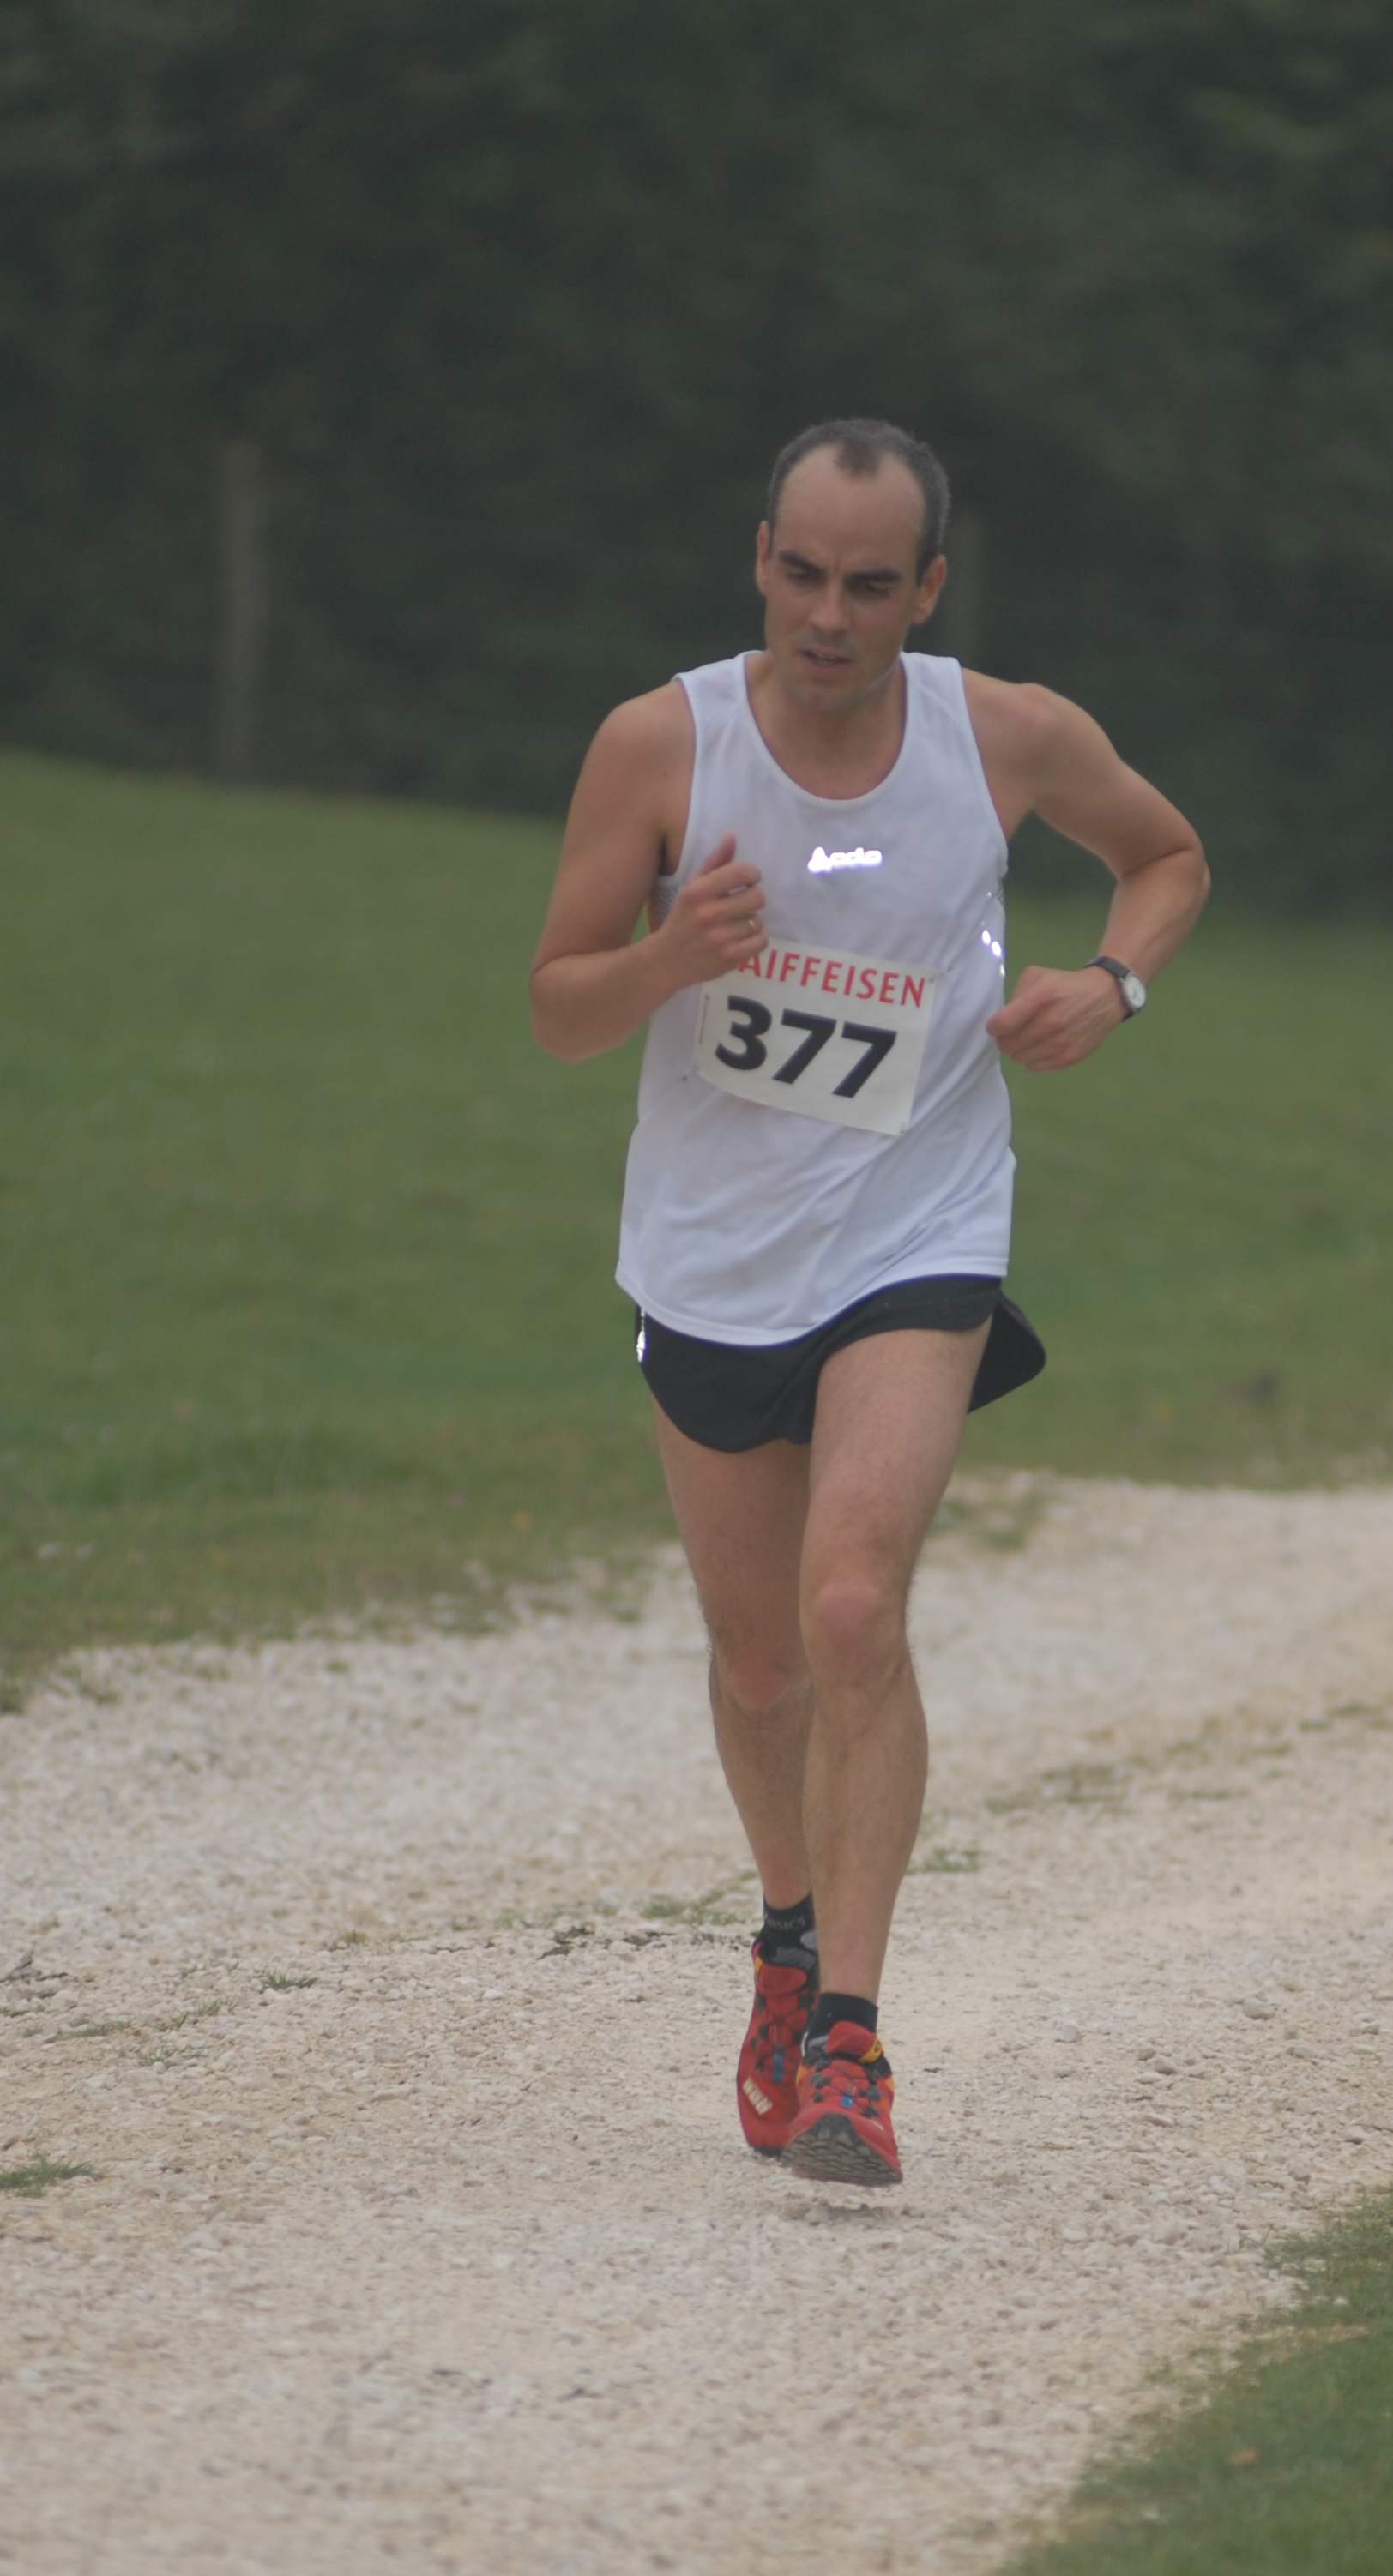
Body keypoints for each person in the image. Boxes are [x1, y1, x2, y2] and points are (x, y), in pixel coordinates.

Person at [530, 418, 1207, 2187]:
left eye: (870, 583)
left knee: (849, 1609)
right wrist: (670, 956)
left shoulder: (1007, 736)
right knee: (760, 1661)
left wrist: (1113, 987)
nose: (829, 614)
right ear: (760, 559)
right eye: (802, 572)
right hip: (712, 1256)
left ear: (929, 588)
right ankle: (785, 1938)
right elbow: (558, 1006)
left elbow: (1169, 857)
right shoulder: (662, 744)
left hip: (918, 1229)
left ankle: (850, 2041)